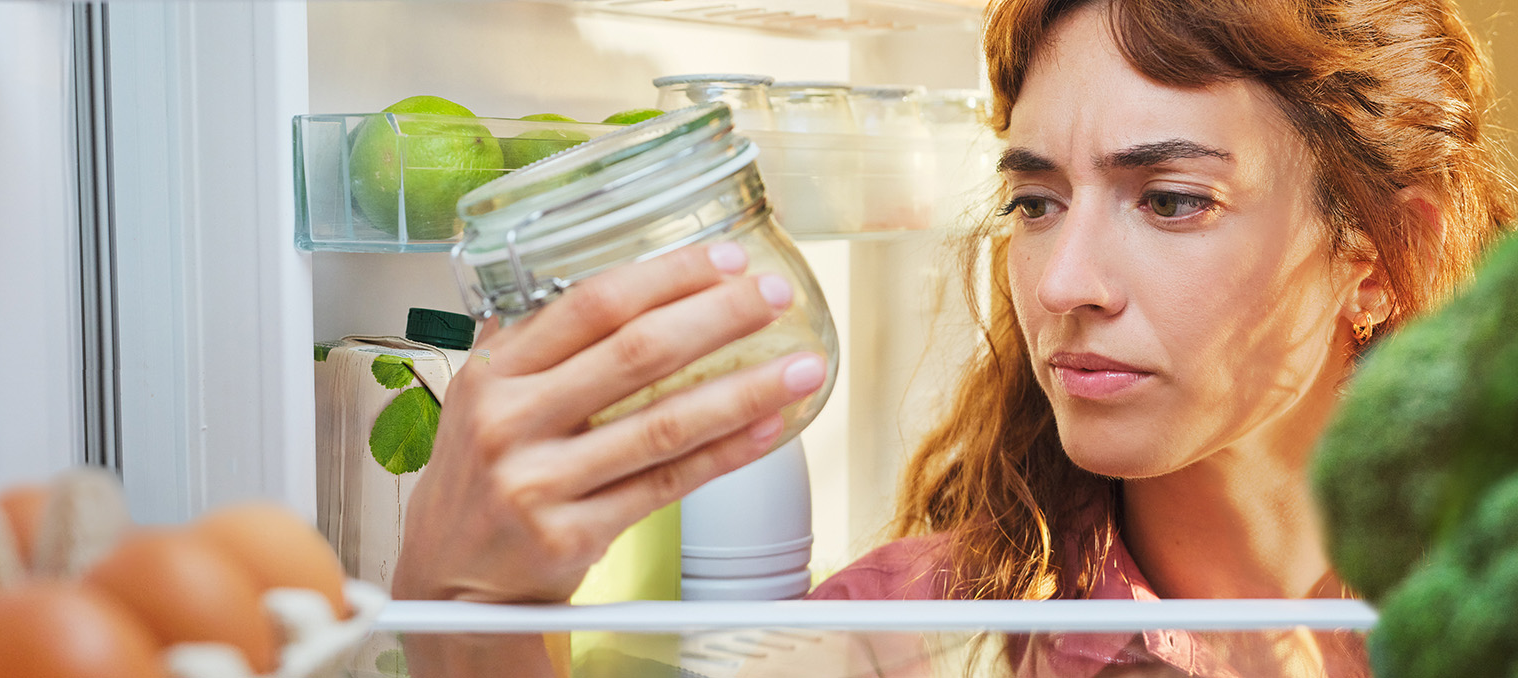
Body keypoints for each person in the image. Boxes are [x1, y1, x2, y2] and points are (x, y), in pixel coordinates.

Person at [394, 0, 1515, 674]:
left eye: (1171, 199)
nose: (1065, 283)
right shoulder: (897, 642)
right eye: (1036, 202)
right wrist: (461, 619)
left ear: (1377, 256)